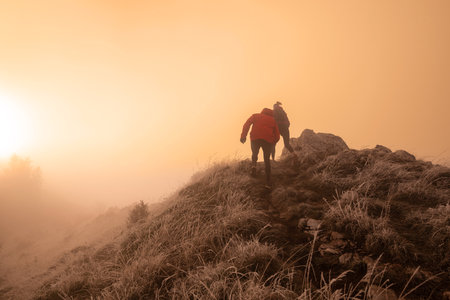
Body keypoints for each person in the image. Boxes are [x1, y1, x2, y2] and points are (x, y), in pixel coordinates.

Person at [240, 108, 280, 185]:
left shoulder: (255, 116)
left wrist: (243, 136)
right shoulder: (273, 120)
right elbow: (277, 135)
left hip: (255, 137)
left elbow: (247, 124)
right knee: (266, 159)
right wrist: (273, 142)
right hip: (267, 140)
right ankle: (268, 179)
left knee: (254, 153)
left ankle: (254, 167)